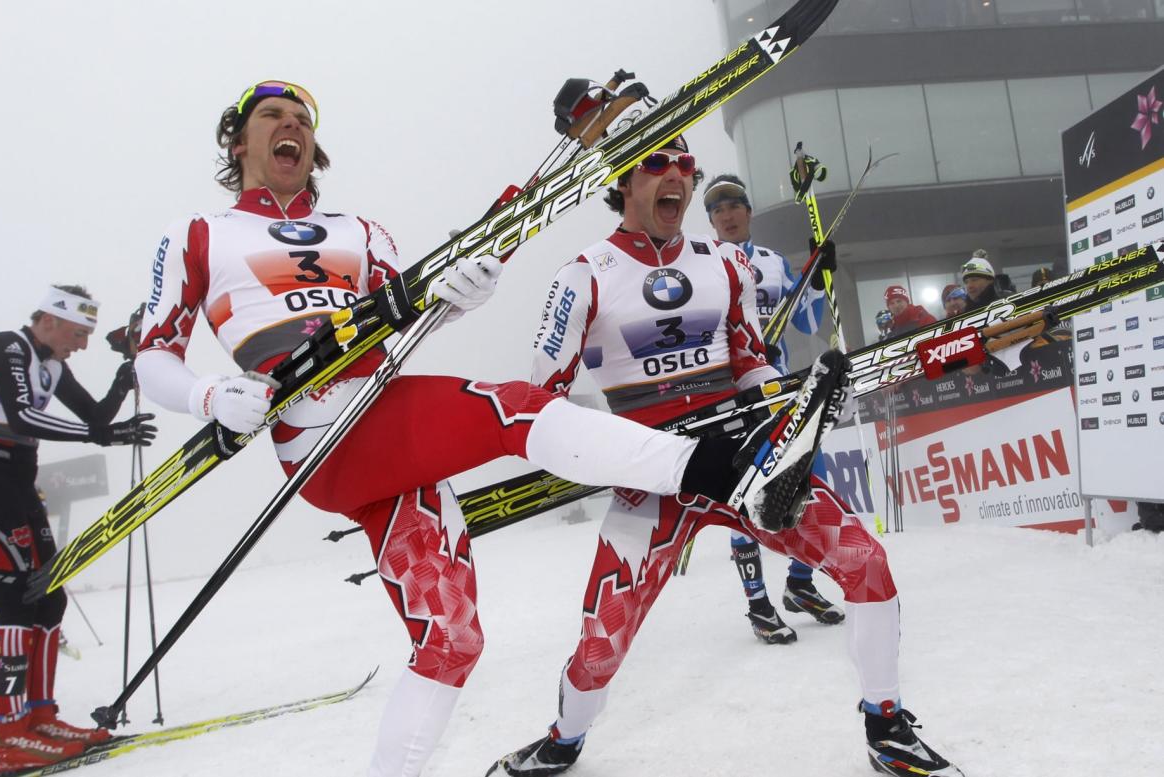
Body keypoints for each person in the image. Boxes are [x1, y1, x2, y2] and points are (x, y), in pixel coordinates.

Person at [132, 80, 829, 777]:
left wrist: (464, 295)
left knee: (454, 639)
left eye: (301, 121)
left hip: (382, 419)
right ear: (238, 140)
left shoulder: (360, 232)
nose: (291, 128)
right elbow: (152, 356)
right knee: (517, 407)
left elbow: (408, 316)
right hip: (319, 429)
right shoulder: (201, 233)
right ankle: (728, 476)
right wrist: (208, 394)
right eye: (272, 118)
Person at [490, 140, 962, 777]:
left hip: (738, 458)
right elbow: (544, 401)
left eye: (686, 166)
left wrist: (780, 400)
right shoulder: (584, 275)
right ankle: (564, 738)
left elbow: (746, 358)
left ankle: (887, 727)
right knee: (602, 640)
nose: (677, 178)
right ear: (624, 181)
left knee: (866, 563)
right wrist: (601, 449)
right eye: (658, 164)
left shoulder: (724, 263)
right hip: (650, 476)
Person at [0, 285, 155, 772]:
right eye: (78, 332)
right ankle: (10, 733)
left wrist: (126, 377)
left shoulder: (52, 366)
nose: (82, 344)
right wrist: (103, 436)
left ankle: (40, 718)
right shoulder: (6, 346)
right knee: (16, 602)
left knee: (50, 597)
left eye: (88, 334)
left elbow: (96, 417)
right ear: (49, 319)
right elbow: (24, 415)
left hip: (20, 482)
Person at [699, 173, 844, 644]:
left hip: (778, 391)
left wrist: (817, 281)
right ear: (710, 220)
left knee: (806, 482)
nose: (727, 213)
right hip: (729, 396)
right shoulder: (699, 265)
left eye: (735, 203)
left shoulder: (773, 264)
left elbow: (806, 322)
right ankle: (758, 605)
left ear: (748, 210)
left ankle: (800, 584)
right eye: (717, 207)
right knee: (741, 495)